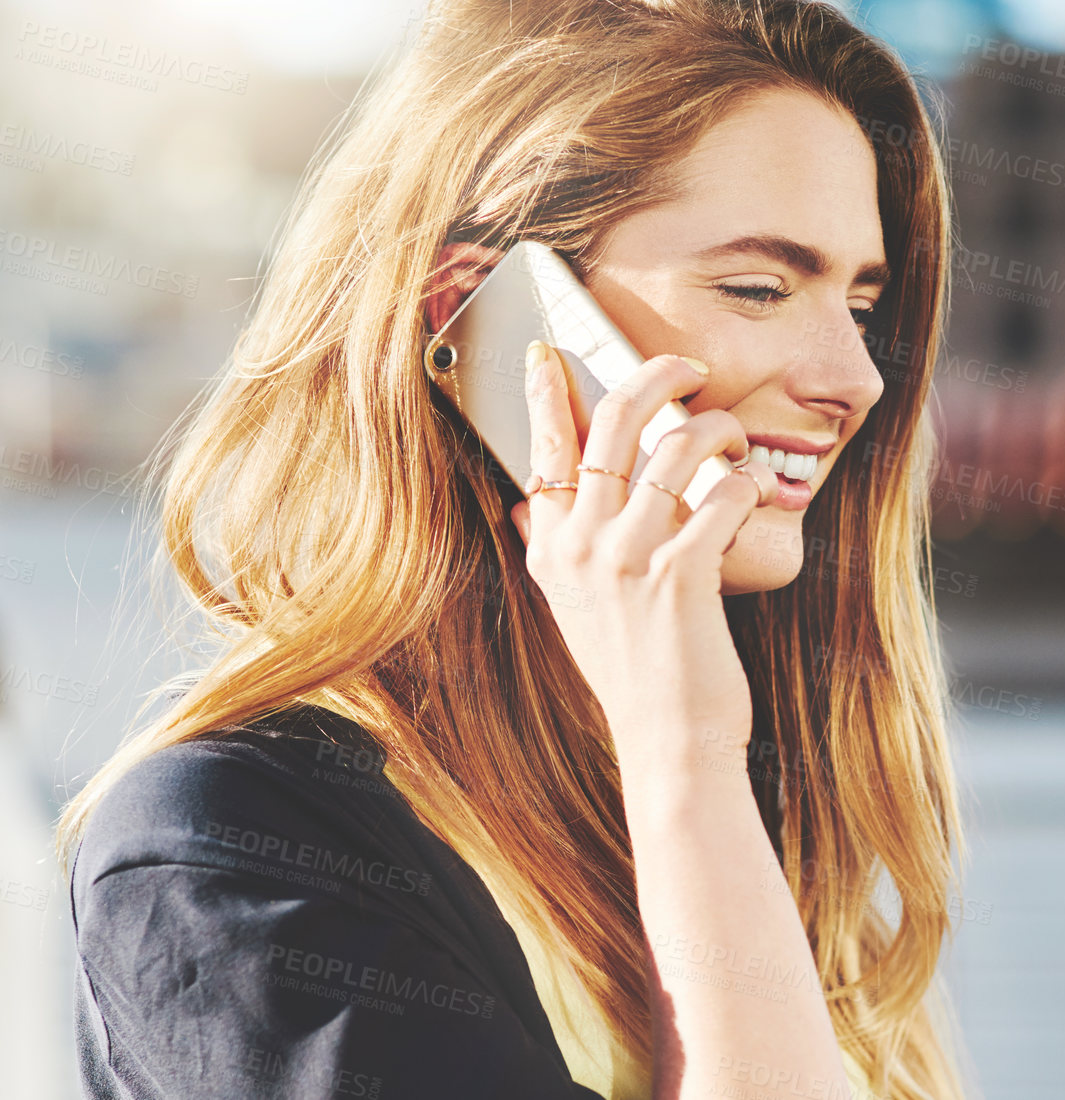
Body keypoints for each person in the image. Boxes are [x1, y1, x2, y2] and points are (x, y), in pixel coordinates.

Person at [56, 1, 970, 1097]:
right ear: (484, 313)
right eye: (759, 290)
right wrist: (684, 745)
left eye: (861, 304)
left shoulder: (741, 827)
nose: (853, 378)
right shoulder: (234, 849)